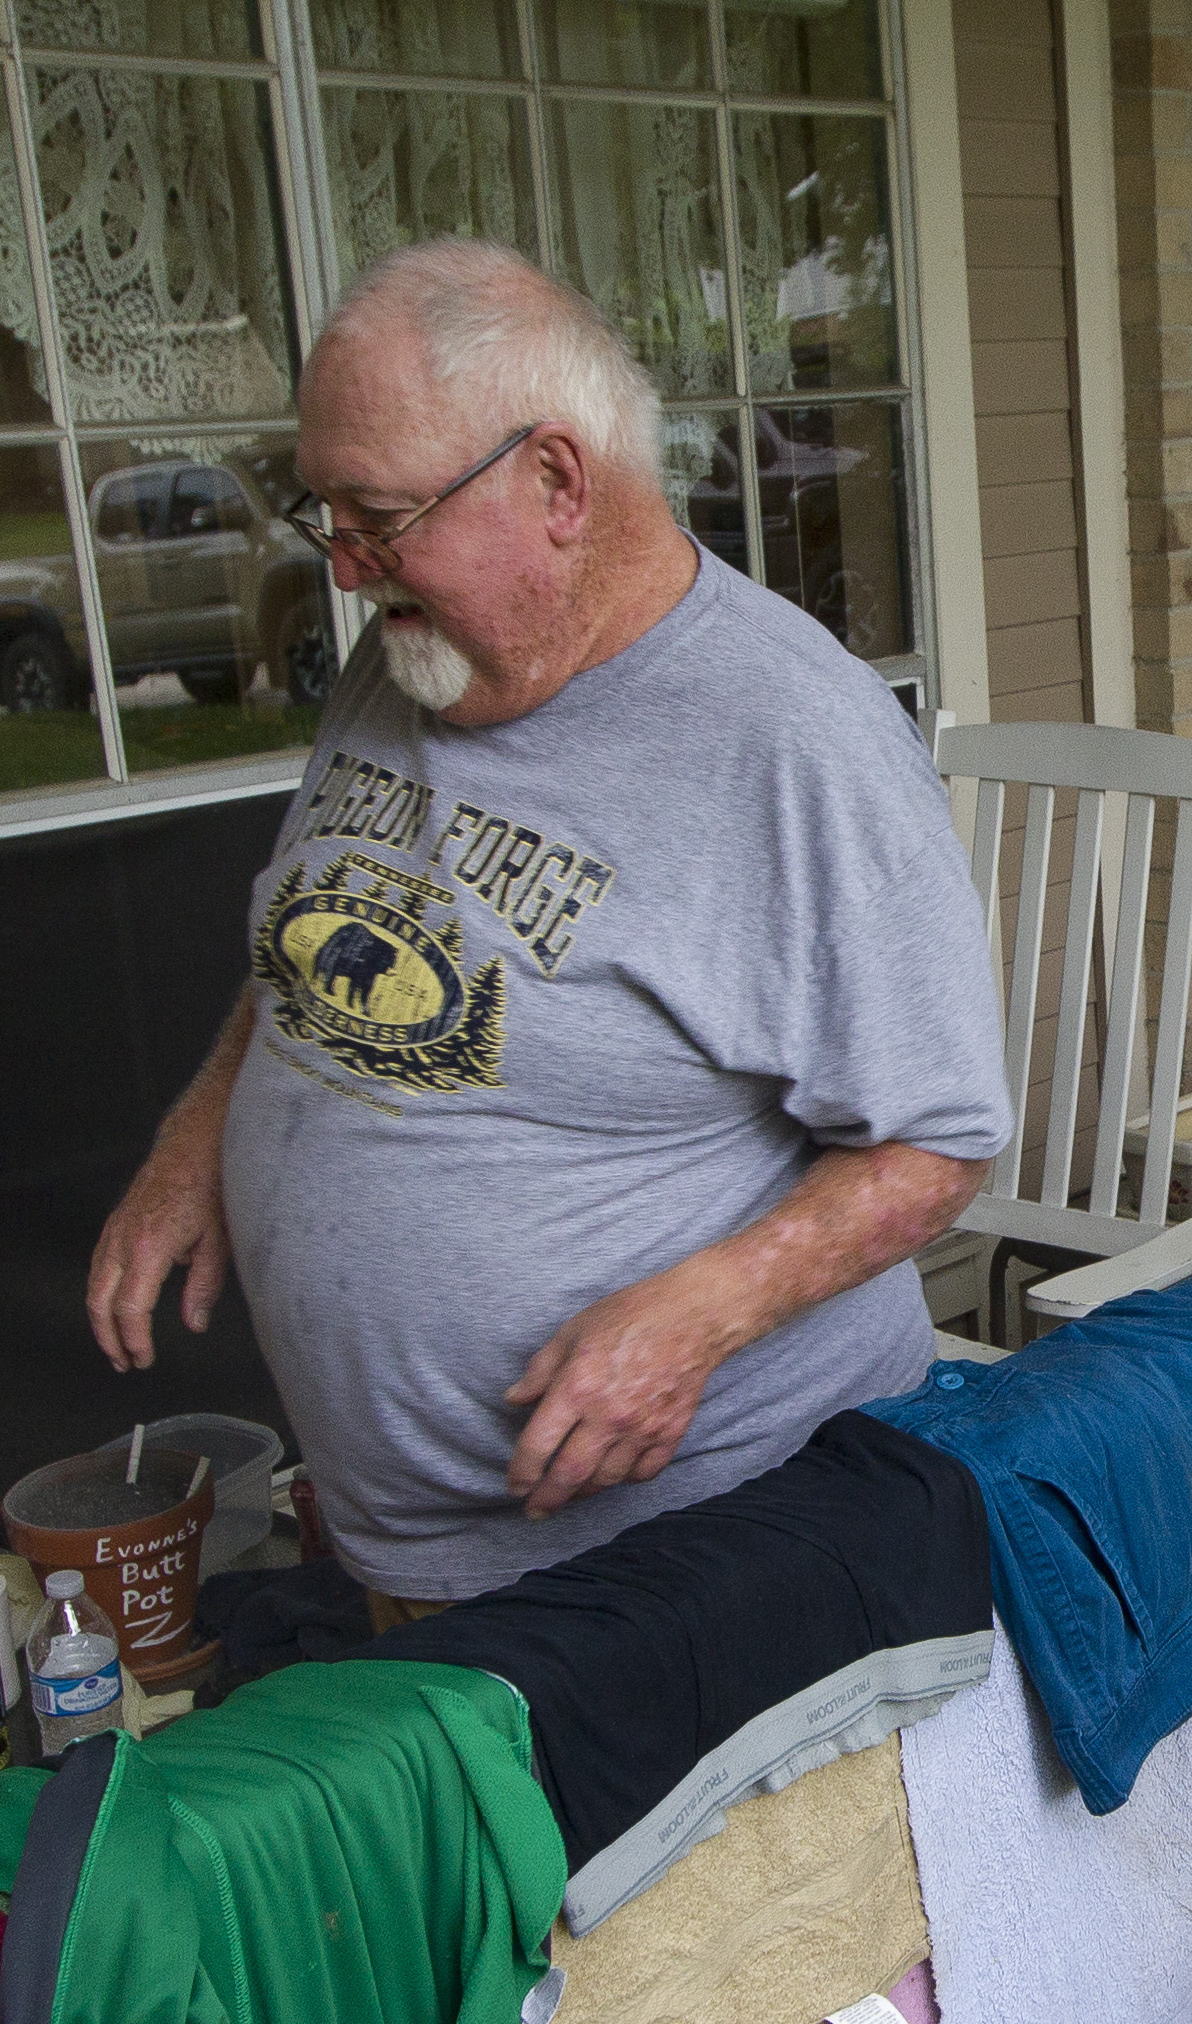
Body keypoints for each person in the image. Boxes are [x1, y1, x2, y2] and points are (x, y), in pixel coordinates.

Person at [86, 240, 1008, 1620]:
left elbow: (939, 1139)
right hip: (409, 1549)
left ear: (558, 482)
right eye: (322, 509)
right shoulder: (419, 651)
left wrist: (699, 1314)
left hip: (691, 1563)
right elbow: (330, 919)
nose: (344, 567)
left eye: (380, 515)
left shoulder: (790, 741)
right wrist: (199, 1137)